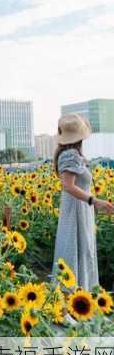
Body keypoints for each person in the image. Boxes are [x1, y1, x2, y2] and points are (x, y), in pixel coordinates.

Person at [52, 113, 114, 291]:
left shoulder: (71, 154)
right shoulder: (70, 155)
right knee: (73, 252)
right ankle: (68, 305)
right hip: (75, 212)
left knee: (80, 251)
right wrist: (95, 201)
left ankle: (79, 300)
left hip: (80, 209)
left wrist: (94, 204)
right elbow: (68, 186)